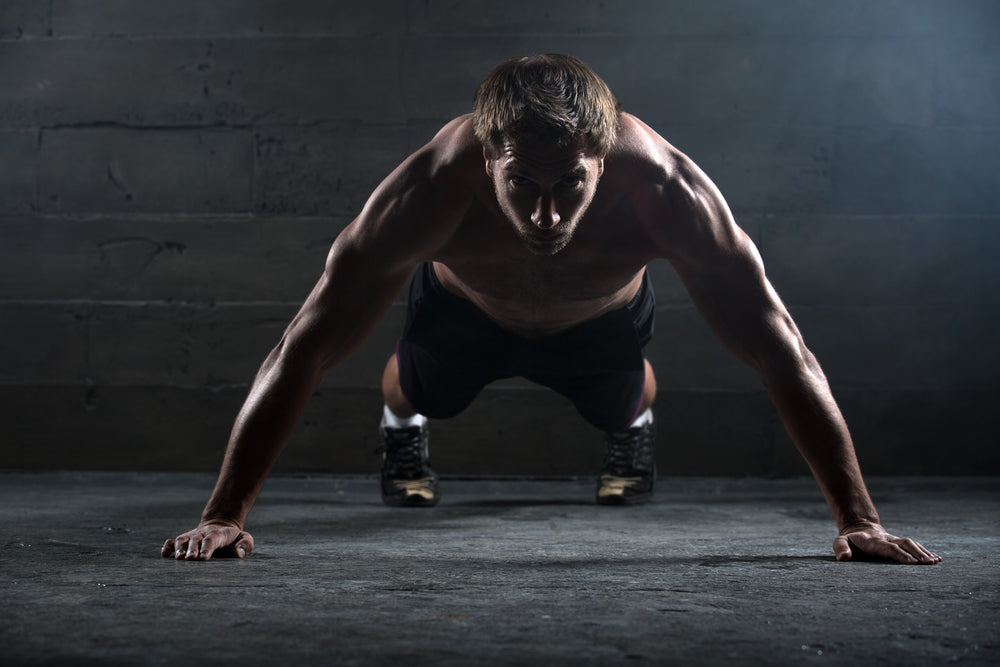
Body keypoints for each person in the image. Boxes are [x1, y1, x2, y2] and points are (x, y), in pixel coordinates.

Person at [162, 54, 940, 565]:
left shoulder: (666, 191)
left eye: (570, 184)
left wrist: (857, 519)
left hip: (599, 321)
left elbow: (778, 344)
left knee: (621, 402)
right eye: (522, 186)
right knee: (421, 389)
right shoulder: (428, 191)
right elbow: (305, 344)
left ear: (601, 159)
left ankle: (635, 415)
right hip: (465, 314)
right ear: (488, 159)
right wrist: (225, 512)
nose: (546, 215)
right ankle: (402, 420)